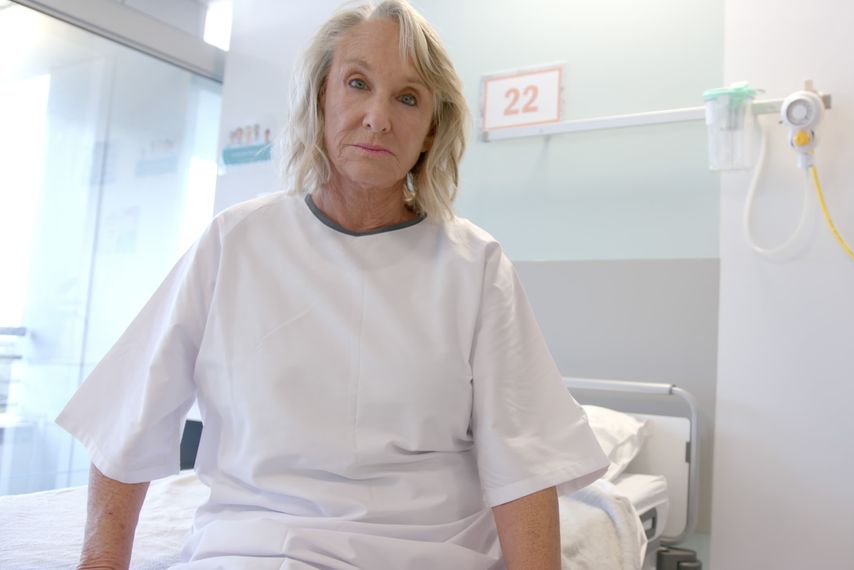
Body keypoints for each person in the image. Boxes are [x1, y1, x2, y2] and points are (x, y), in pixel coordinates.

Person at [55, 1, 609, 568]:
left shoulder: (476, 267)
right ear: (321, 99)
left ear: (431, 131)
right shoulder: (235, 243)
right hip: (250, 551)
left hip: (425, 554)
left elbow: (524, 466)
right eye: (357, 83)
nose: (378, 116)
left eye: (408, 97)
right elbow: (128, 417)